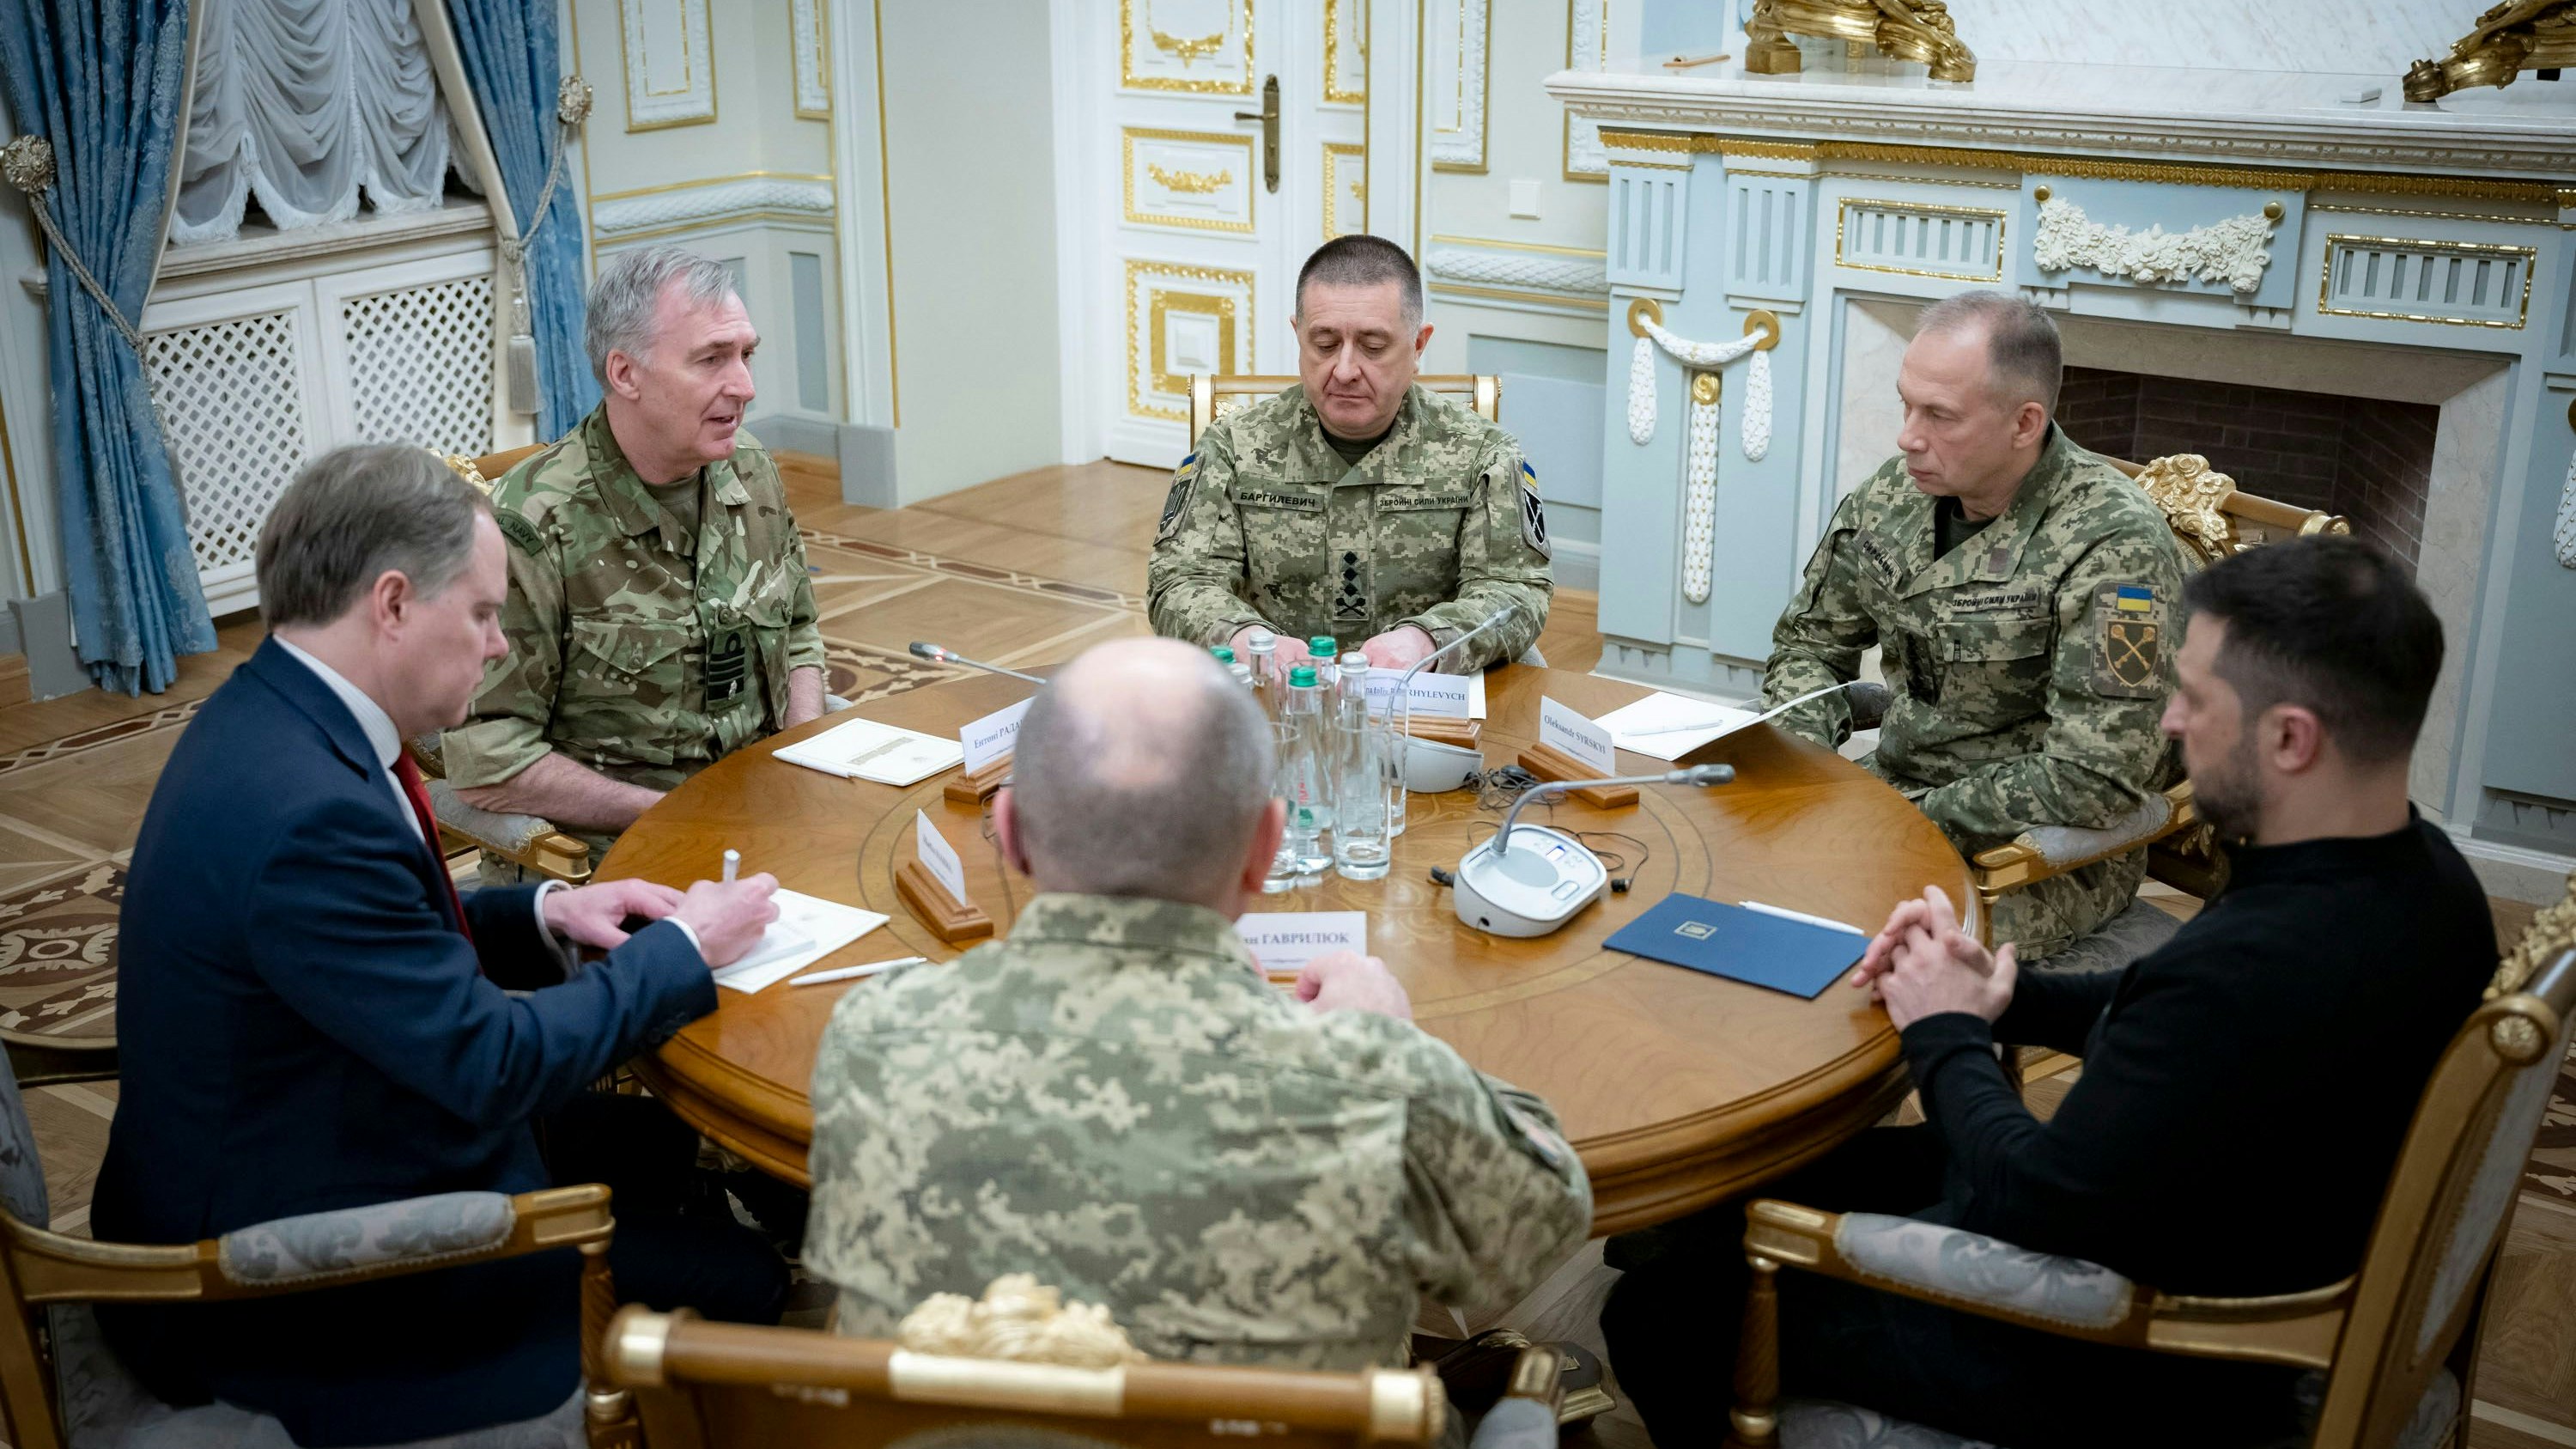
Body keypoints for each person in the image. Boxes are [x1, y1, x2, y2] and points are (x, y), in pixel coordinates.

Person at [1603, 536, 2496, 1448]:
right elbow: (2170, 1017)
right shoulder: (2430, 887)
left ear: (2291, 737)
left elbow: (2032, 1204)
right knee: (1712, 1198)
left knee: (1657, 1312)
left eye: (2193, 698)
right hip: (2214, 1219)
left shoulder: (2261, 964)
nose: (2171, 724)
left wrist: (1945, 1031)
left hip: (2129, 1361)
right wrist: (2000, 991)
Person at [95, 445, 790, 1446]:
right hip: (285, 1283)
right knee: (742, 1279)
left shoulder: (276, 718)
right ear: (391, 603)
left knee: (662, 1137)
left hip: (315, 1126)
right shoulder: (307, 819)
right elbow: (490, 1066)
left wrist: (549, 910)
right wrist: (682, 946)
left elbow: (375, 943)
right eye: (481, 613)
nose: (500, 645)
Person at [802, 637, 1592, 1366]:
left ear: (1009, 831)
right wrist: (1392, 1041)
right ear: (1266, 846)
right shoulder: (1365, 1084)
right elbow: (1549, 1212)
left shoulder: (875, 1034)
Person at [1761, 289, 2186, 961]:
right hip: (1891, 796)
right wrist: (1803, 765)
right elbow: (1810, 646)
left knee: (1846, 951)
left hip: (2031, 854)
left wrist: (1910, 820)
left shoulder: (2114, 547)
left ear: (2024, 423)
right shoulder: (1895, 493)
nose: (1907, 435)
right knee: (1737, 877)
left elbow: (2094, 776)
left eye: (1939, 415)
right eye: (1906, 404)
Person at [443, 245, 827, 876]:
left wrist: (801, 757)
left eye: (746, 354)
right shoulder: (532, 527)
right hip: (609, 869)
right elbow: (489, 762)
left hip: (762, 834)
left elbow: (800, 633)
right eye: (711, 359)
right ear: (626, 374)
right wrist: (675, 811)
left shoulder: (750, 470)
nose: (746, 387)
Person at [1148, 235, 1552, 675]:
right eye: (1323, 344)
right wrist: (1248, 640)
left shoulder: (1482, 454)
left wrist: (1427, 640)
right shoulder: (1233, 448)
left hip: (1427, 689)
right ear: (1297, 335)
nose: (1343, 370)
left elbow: (1516, 589)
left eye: (1373, 347)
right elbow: (1179, 580)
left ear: (1418, 346)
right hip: (1275, 690)